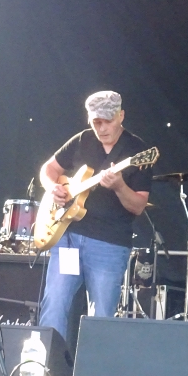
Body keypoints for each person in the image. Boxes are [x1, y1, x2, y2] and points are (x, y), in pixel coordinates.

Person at [37, 91, 153, 343]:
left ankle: (91, 367)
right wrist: (52, 187)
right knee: (54, 303)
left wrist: (120, 187)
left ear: (121, 116)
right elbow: (49, 168)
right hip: (68, 236)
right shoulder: (83, 139)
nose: (101, 128)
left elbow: (138, 206)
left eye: (107, 121)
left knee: (101, 316)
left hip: (109, 242)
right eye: (95, 122)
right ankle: (48, 363)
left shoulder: (138, 151)